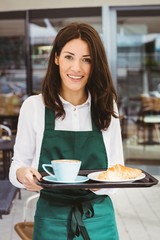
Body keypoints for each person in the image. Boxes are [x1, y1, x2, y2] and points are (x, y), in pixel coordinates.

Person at [9, 22, 124, 240]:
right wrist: (22, 174)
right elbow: (17, 166)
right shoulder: (34, 107)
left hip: (99, 219)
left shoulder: (107, 106)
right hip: (51, 219)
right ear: (56, 58)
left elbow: (116, 170)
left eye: (86, 59)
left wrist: (102, 186)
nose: (76, 68)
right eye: (69, 57)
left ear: (95, 64)